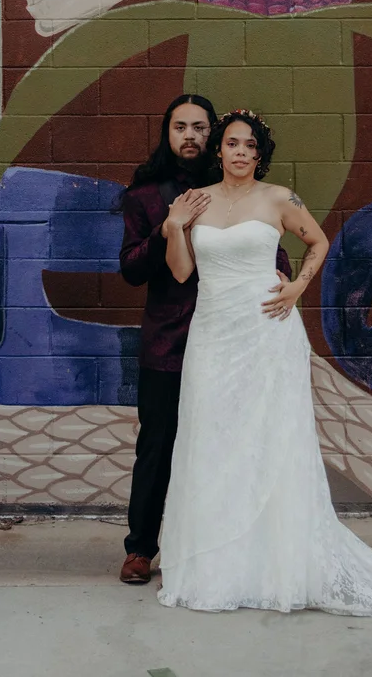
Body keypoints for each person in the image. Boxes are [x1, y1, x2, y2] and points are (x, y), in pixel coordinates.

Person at [157, 108, 372, 615]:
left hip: (266, 328)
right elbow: (182, 271)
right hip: (212, 334)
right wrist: (173, 226)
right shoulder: (195, 202)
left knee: (269, 440)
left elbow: (318, 242)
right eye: (231, 143)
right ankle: (219, 565)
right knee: (211, 439)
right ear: (219, 150)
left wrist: (299, 285)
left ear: (259, 154)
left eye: (248, 145)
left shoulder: (279, 198)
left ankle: (276, 563)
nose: (238, 152)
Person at [117, 93, 292, 584]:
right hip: (169, 345)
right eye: (180, 127)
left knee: (233, 444)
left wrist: (284, 277)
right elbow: (130, 269)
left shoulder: (237, 189)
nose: (189, 136)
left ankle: (227, 548)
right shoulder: (145, 197)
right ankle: (140, 549)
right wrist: (168, 226)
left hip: (236, 341)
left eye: (199, 127)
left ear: (213, 138)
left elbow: (267, 246)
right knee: (158, 444)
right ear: (166, 133)